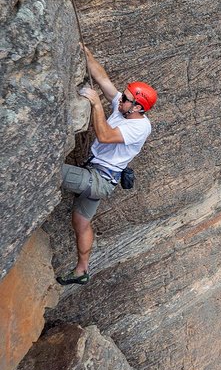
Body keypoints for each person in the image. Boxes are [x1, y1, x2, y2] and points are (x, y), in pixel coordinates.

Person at [57, 46, 157, 285]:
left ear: (138, 108)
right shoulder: (124, 108)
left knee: (51, 173)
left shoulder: (139, 127)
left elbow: (105, 136)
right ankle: (81, 271)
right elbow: (102, 78)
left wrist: (96, 105)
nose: (120, 99)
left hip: (99, 181)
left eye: (126, 99)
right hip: (96, 175)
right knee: (81, 222)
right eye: (123, 95)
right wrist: (86, 53)